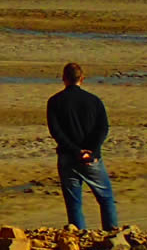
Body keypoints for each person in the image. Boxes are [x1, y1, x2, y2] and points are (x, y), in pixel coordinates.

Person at [48, 62, 118, 230]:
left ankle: (79, 237)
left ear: (64, 79)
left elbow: (56, 131)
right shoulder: (94, 101)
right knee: (106, 198)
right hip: (86, 157)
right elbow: (102, 129)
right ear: (82, 78)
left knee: (74, 203)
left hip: (70, 156)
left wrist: (81, 151)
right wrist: (89, 151)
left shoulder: (55, 101)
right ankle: (111, 233)